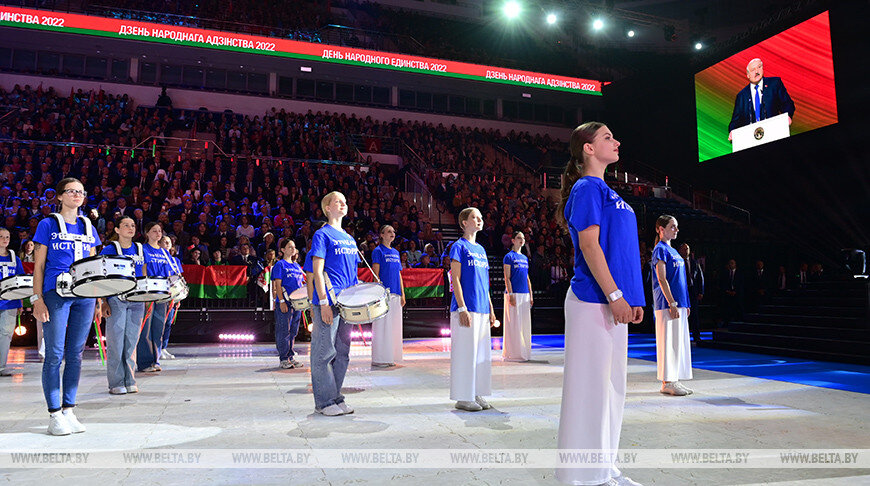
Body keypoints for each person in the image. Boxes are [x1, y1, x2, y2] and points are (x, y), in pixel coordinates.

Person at [555, 123, 644, 486]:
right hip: (592, 300)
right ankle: (580, 476)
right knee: (589, 389)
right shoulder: (586, 187)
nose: (617, 141)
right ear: (588, 149)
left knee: (612, 389)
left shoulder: (608, 190)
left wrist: (632, 298)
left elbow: (622, 251)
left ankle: (605, 469)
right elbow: (590, 247)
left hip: (613, 302)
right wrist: (615, 295)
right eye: (608, 137)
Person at [32, 178, 102, 436]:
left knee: (76, 354)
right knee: (54, 354)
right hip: (56, 293)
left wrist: (99, 299)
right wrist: (36, 299)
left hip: (85, 295)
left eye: (81, 192)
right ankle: (54, 414)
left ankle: (69, 409)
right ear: (60, 196)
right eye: (72, 191)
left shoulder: (88, 226)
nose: (77, 195)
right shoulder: (47, 224)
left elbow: (95, 267)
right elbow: (39, 266)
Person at [310, 192, 360, 416]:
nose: (343, 203)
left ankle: (335, 397)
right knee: (324, 352)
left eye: (345, 201)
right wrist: (323, 303)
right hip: (329, 301)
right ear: (327, 208)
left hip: (347, 304)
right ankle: (324, 402)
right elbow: (317, 272)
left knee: (343, 353)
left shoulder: (350, 239)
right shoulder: (322, 235)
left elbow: (353, 275)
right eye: (338, 201)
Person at [449, 207, 496, 412]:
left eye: (480, 217)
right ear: (464, 223)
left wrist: (491, 309)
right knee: (465, 353)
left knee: (480, 354)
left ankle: (476, 392)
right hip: (466, 307)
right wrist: (461, 307)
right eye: (474, 217)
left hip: (482, 307)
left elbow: (484, 283)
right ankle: (463, 396)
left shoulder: (482, 250)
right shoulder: (458, 247)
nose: (479, 220)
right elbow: (456, 278)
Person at [99, 215, 146, 395]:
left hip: (136, 300)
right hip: (116, 299)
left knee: (131, 342)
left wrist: (145, 295)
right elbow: (101, 277)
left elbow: (142, 272)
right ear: (117, 230)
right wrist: (103, 301)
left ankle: (130, 379)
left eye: (133, 225)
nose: (130, 228)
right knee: (116, 342)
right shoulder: (110, 249)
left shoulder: (139, 248)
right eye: (126, 225)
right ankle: (116, 382)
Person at [651, 215, 693, 396]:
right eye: (672, 226)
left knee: (677, 342)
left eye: (676, 227)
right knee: (668, 341)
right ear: (661, 229)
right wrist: (672, 302)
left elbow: (681, 280)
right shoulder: (659, 249)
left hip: (680, 303)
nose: (676, 230)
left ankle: (674, 379)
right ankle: (667, 381)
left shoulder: (674, 251)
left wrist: (685, 303)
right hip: (667, 304)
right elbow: (661, 278)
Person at [136, 223, 174, 373]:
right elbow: (143, 269)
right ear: (147, 233)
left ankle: (155, 360)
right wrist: (144, 292)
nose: (158, 233)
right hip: (149, 291)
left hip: (162, 293)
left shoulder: (165, 252)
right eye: (154, 231)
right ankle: (145, 362)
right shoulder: (143, 249)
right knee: (146, 327)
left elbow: (169, 272)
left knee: (158, 327)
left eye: (160, 231)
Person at [728, 58, 795, 140]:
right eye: (753, 70)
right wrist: (732, 131)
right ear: (748, 75)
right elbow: (735, 120)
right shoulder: (742, 96)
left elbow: (787, 104)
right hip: (752, 139)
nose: (757, 71)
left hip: (774, 134)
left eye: (759, 67)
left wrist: (787, 116)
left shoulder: (774, 83)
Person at [371, 225, 406, 368]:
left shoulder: (396, 252)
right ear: (382, 235)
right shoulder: (378, 251)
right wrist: (378, 292)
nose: (392, 233)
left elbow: (399, 274)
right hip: (384, 293)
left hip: (396, 293)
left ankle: (392, 355)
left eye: (393, 231)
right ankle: (380, 358)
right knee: (382, 327)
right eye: (389, 231)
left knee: (394, 327)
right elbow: (375, 274)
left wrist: (403, 293)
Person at [272, 237, 305, 369]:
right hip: (285, 301)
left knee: (293, 331)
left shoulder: (296, 266)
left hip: (297, 303)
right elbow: (278, 285)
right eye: (290, 247)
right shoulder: (280, 265)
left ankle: (290, 356)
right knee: (283, 330)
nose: (293, 249)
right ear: (282, 250)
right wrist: (281, 301)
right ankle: (283, 358)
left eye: (294, 246)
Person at [502, 231, 533, 362]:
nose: (522, 240)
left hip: (525, 294)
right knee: (513, 324)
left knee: (524, 324)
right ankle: (512, 353)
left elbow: (527, 278)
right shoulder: (509, 257)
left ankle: (524, 351)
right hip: (514, 294)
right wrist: (511, 294)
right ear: (513, 240)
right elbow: (507, 277)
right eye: (519, 238)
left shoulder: (525, 258)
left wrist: (531, 294)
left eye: (523, 238)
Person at [0, 227, 25, 376]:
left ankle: (1, 366)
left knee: (5, 334)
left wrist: (20, 301)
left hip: (10, 302)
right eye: (1, 236)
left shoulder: (14, 257)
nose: (4, 239)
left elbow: (20, 280)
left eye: (7, 237)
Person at [159, 235, 182, 360]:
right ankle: (156, 347)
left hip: (172, 294)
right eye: (165, 242)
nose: (168, 244)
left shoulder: (174, 260)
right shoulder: (157, 259)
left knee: (168, 322)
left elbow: (178, 276)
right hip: (160, 292)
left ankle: (163, 347)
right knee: (159, 322)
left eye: (169, 242)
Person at [678, 243, 704, 343]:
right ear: (679, 250)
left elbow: (700, 277)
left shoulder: (695, 263)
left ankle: (696, 336)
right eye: (683, 249)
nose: (686, 250)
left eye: (687, 248)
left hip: (693, 291)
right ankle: (683, 337)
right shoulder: (677, 262)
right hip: (681, 292)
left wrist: (701, 291)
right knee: (683, 314)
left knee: (695, 315)